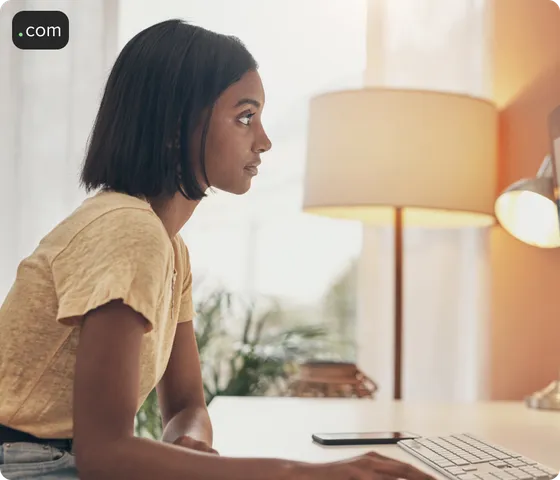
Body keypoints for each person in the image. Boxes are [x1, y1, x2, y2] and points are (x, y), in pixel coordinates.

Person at [0, 19, 436, 480]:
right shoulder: (127, 231)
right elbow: (105, 453)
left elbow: (187, 404)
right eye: (245, 116)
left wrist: (190, 442)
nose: (263, 141)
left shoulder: (169, 248)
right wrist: (307, 473)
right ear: (175, 126)